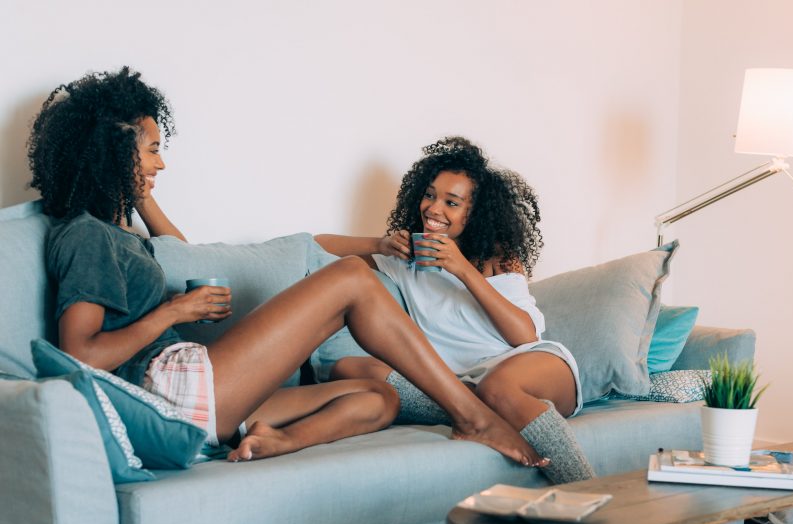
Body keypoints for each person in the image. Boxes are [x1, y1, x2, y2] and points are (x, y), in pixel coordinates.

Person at [28, 67, 542, 468]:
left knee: (378, 397)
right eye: (152, 150)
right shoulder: (87, 235)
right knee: (351, 279)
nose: (161, 164)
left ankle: (276, 440)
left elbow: (179, 253)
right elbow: (80, 354)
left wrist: (137, 202)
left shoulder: (113, 232)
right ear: (113, 151)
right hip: (172, 394)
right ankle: (473, 416)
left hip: (193, 397)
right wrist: (172, 312)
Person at [316, 137, 643, 524]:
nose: (435, 208)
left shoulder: (494, 260)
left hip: (533, 367)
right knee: (351, 369)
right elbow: (318, 246)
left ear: (474, 213)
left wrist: (461, 270)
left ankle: (600, 514)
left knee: (497, 388)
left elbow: (524, 334)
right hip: (464, 385)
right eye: (430, 195)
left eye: (452, 202)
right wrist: (381, 243)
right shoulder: (406, 260)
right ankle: (471, 413)